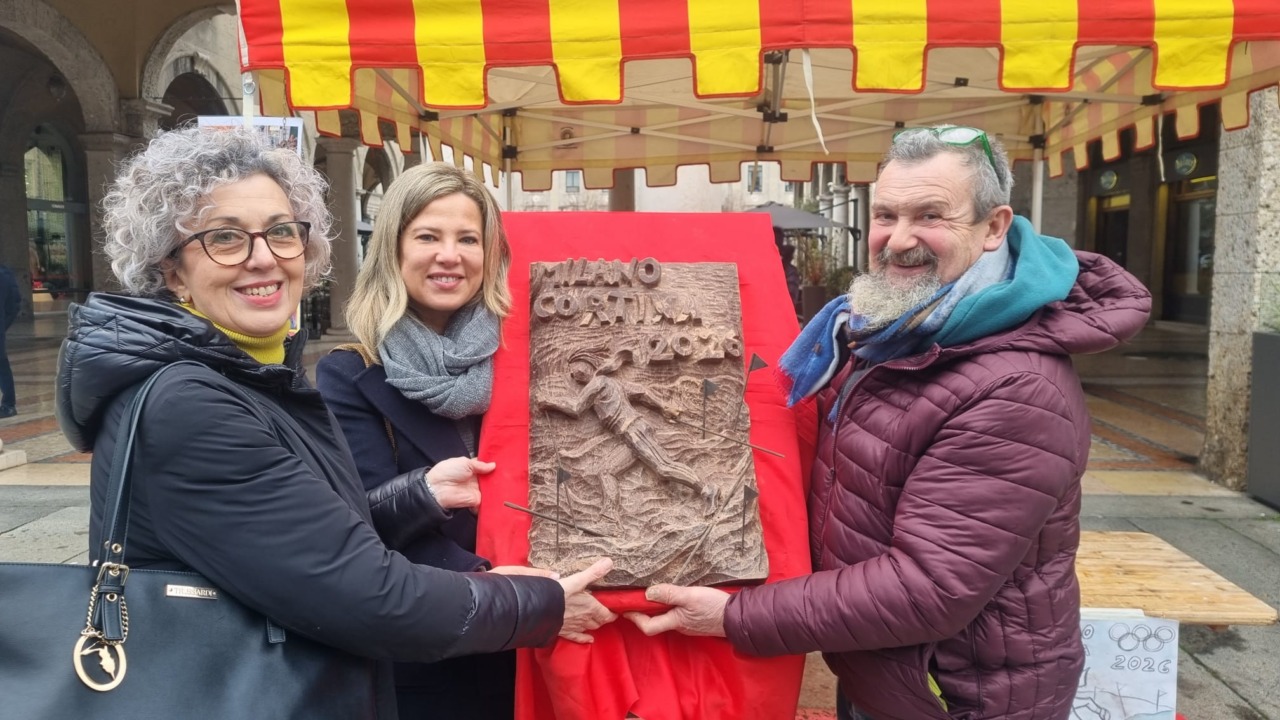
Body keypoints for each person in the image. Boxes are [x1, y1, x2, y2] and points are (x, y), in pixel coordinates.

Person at [54, 127, 615, 717]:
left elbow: (318, 534)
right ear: (171, 269)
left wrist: (418, 494)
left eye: (280, 232)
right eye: (224, 238)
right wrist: (539, 600)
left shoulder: (251, 379)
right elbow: (371, 595)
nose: (263, 257)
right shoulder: (190, 406)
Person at [626, 125, 1152, 720]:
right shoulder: (892, 333)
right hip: (884, 664)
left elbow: (928, 587)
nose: (899, 240)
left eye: (930, 215)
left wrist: (735, 617)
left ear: (994, 227)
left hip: (959, 694)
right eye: (885, 215)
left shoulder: (1015, 390)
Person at [315, 162, 616, 719]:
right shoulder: (348, 373)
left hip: (558, 632)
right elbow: (361, 523)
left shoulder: (529, 355)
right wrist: (506, 591)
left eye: (468, 239)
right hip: (440, 648)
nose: (449, 255)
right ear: (393, 248)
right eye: (428, 236)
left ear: (491, 254)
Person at [0, 264, 20, 417]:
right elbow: (14, 304)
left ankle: (9, 405)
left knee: (2, 366)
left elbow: (14, 304)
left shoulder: (4, 275)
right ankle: (9, 404)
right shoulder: (5, 274)